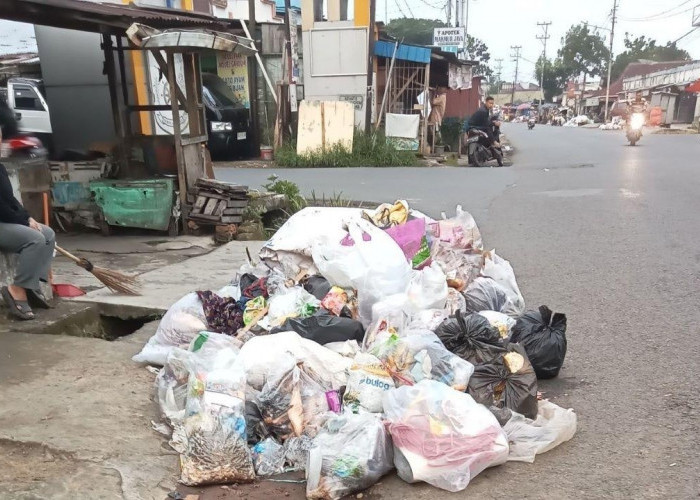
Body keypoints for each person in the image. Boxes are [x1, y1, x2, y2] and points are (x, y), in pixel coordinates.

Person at [0, 102, 55, 320]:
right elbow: (1, 209)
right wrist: (24, 222)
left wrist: (28, 217)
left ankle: (31, 286)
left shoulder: (0, 168)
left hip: (6, 220)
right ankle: (16, 290)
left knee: (48, 234)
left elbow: (9, 200)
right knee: (34, 239)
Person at [467, 96, 504, 166]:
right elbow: (487, 124)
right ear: (486, 102)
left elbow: (485, 121)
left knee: (487, 129)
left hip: (471, 127)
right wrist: (494, 123)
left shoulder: (483, 109)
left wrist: (492, 122)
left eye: (492, 104)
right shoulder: (483, 111)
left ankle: (471, 161)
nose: (491, 105)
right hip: (477, 127)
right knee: (489, 129)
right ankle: (494, 142)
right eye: (490, 103)